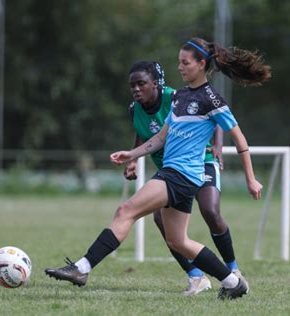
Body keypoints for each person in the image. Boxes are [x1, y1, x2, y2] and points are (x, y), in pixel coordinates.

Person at [46, 36, 271, 300]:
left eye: (185, 62)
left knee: (125, 210)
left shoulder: (211, 99)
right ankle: (233, 282)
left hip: (181, 174)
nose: (179, 67)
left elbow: (240, 139)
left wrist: (251, 179)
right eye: (179, 62)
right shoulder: (181, 96)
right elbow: (161, 137)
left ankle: (81, 268)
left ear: (201, 64)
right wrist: (132, 154)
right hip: (177, 174)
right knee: (178, 241)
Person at [124, 60, 245, 296]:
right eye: (133, 85)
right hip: (171, 169)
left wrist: (218, 146)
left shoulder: (177, 97)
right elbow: (143, 132)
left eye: (142, 83)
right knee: (161, 220)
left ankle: (234, 271)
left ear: (156, 84)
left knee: (210, 210)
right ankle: (196, 277)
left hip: (202, 161)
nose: (137, 89)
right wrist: (132, 159)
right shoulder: (134, 108)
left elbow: (214, 113)